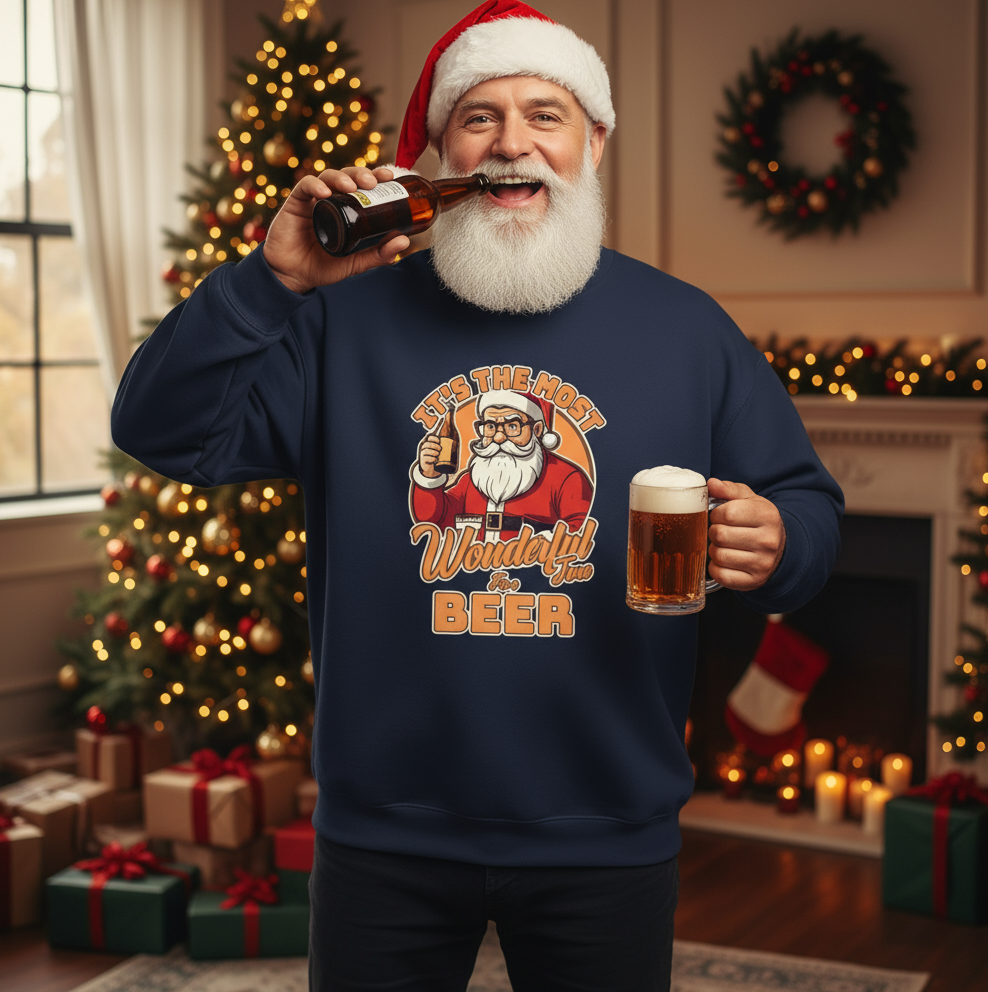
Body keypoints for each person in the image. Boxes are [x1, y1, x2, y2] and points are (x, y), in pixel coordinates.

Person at [112, 2, 844, 989]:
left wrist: (776, 541)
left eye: (545, 114)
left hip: (606, 827)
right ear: (437, 154)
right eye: (478, 117)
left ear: (593, 142)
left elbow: (805, 503)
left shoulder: (684, 326)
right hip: (386, 831)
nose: (513, 143)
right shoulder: (340, 316)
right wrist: (272, 277)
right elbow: (160, 427)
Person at [412, 389, 594, 540]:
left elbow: (580, 536)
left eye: (512, 426)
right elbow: (434, 523)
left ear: (536, 430)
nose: (498, 437)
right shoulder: (472, 480)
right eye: (490, 426)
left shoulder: (567, 479)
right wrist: (429, 478)